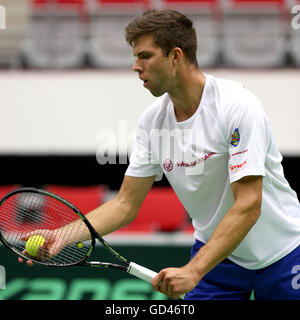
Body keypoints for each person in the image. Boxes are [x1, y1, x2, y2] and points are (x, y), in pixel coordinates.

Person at [19, 9, 300, 300]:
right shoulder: (152, 122)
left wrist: (193, 271)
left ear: (175, 56)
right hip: (218, 258)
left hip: (283, 252)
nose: (135, 67)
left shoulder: (237, 106)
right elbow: (125, 204)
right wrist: (61, 236)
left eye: (145, 56)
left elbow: (248, 205)